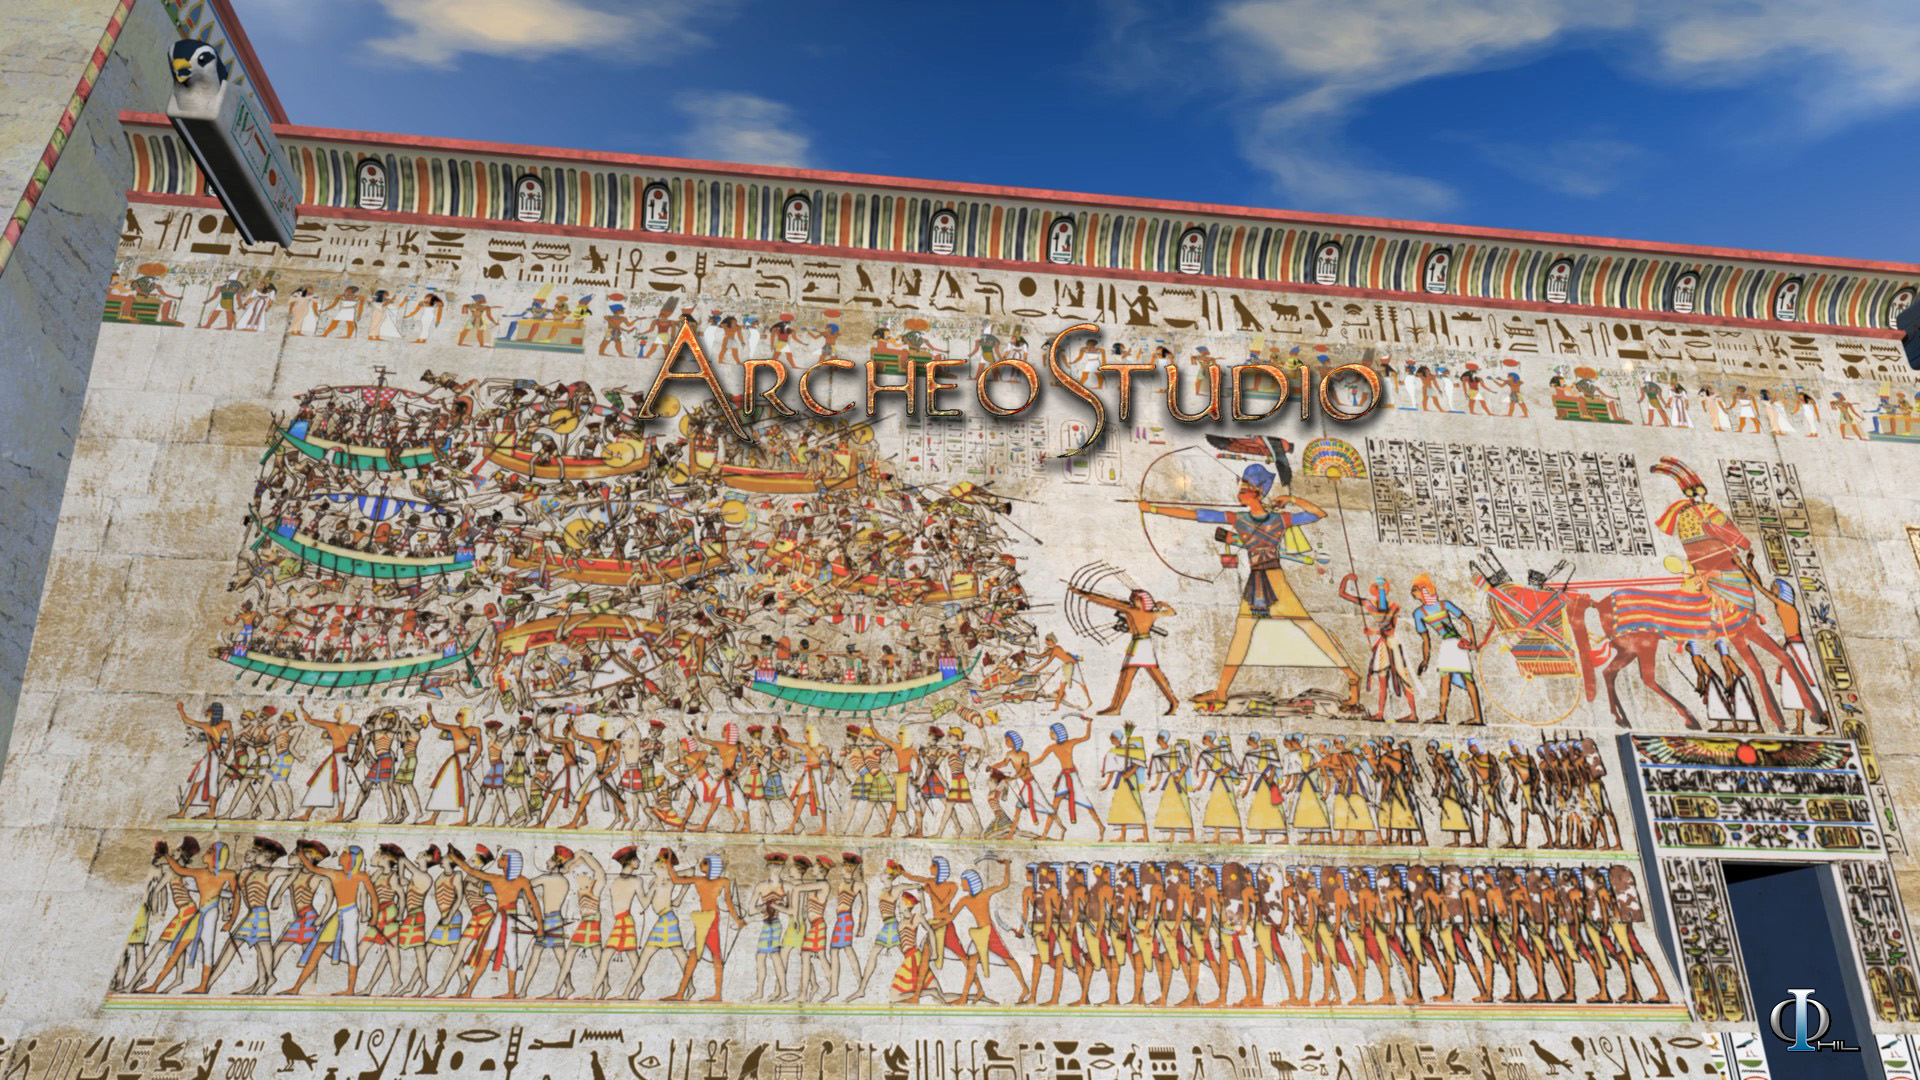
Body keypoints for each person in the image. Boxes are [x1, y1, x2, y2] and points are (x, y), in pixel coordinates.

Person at [1140, 455, 1359, 709]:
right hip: (1258, 581)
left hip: (1273, 580)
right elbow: (1196, 515)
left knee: (1306, 627)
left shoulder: (1275, 519)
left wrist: (1290, 500)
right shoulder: (1242, 519)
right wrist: (1153, 509)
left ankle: (1351, 676)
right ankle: (1221, 692)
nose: (1239, 490)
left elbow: (1318, 513)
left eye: (1244, 486)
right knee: (1244, 634)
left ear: (1256, 492)